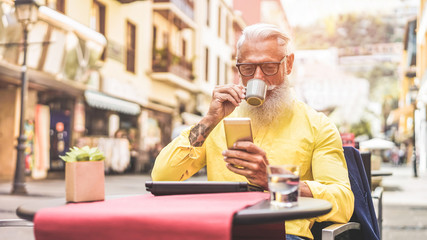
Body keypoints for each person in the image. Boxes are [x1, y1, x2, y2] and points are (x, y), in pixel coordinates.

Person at [152, 23, 354, 240]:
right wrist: (209, 119)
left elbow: (343, 203)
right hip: (222, 231)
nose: (257, 77)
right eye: (247, 69)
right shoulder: (219, 119)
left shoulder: (317, 125)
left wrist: (273, 181)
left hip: (283, 234)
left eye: (269, 67)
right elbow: (162, 176)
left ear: (288, 64)